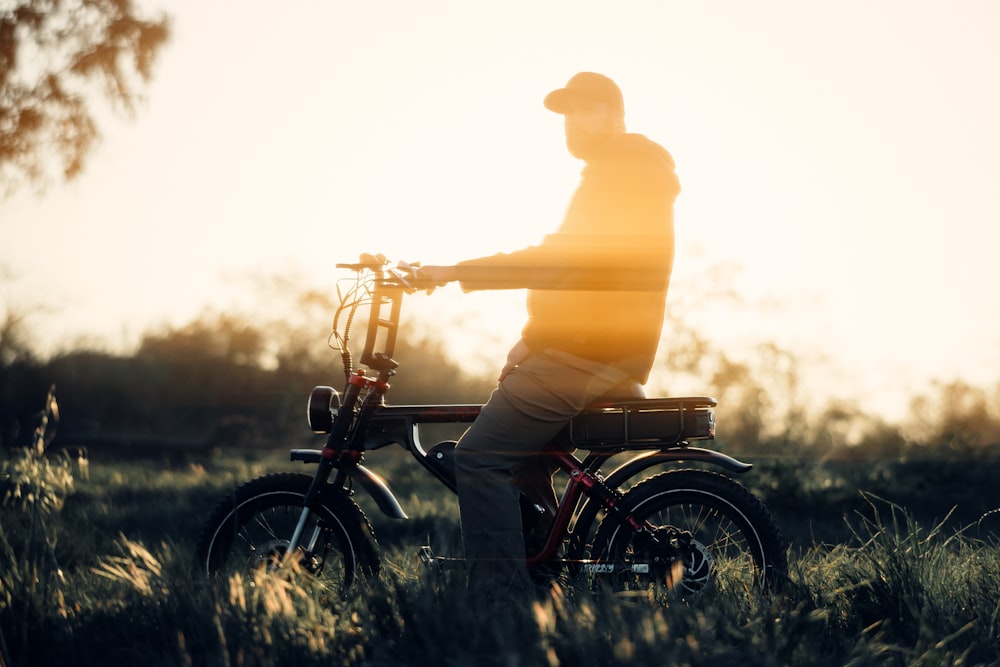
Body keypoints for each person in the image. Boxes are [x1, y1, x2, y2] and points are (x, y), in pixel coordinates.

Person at [419, 72, 681, 593]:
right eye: (566, 115)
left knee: (477, 458)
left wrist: (453, 271)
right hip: (599, 350)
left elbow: (560, 260)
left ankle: (499, 602)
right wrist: (536, 338)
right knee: (524, 463)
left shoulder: (621, 175)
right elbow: (582, 273)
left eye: (586, 111)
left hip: (587, 353)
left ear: (615, 114)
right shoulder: (623, 172)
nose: (572, 125)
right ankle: (542, 571)